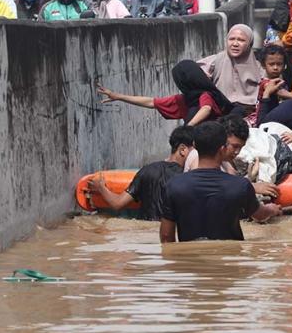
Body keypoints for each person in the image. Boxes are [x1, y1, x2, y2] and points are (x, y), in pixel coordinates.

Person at [156, 122, 280, 242]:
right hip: (229, 259)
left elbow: (166, 236)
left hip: (191, 261)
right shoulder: (240, 186)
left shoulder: (174, 185)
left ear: (194, 145)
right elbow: (260, 215)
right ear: (222, 149)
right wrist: (272, 209)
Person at [87, 126, 195, 221]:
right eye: (195, 152)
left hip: (144, 235)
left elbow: (117, 204)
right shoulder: (187, 178)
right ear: (182, 150)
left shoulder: (147, 170)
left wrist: (101, 187)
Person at [97, 59, 234, 126]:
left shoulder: (206, 95)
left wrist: (189, 126)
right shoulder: (185, 100)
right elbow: (151, 102)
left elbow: (206, 108)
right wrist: (118, 96)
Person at [197, 24, 264, 115]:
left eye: (241, 40)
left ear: (249, 44)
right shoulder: (216, 61)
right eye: (231, 39)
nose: (235, 44)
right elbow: (193, 72)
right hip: (220, 109)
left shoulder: (258, 66)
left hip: (249, 112)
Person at [253, 46, 292, 128]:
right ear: (263, 65)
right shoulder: (266, 82)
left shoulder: (282, 80)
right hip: (264, 115)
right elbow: (280, 92)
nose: (275, 67)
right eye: (271, 64)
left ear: (284, 66)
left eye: (279, 64)